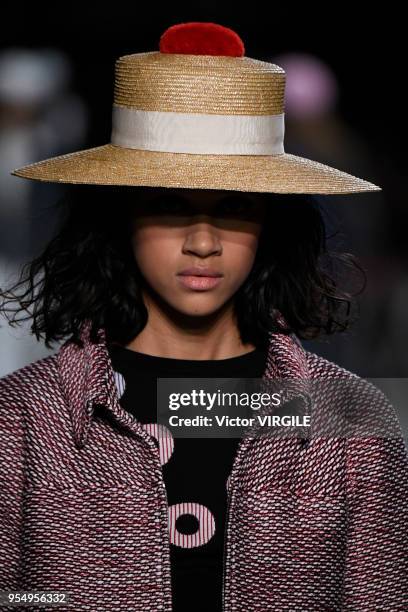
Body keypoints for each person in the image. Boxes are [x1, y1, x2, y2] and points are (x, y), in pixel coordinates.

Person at [0, 21, 407, 612]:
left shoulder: (351, 422)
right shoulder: (22, 423)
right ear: (122, 216)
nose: (202, 240)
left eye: (234, 206)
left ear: (271, 222)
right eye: (169, 202)